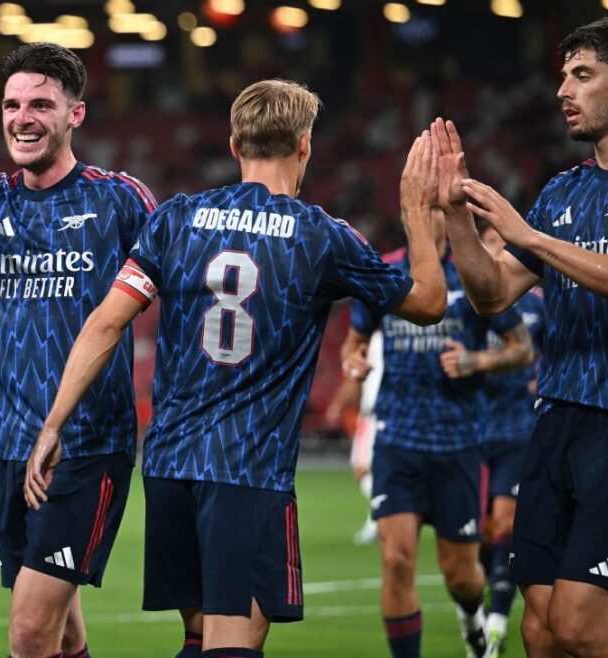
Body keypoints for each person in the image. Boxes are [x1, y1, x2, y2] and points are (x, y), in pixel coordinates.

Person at [26, 79, 447, 658]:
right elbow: (428, 304)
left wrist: (53, 424)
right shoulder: (321, 235)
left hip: (170, 465)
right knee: (233, 642)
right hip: (247, 470)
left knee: (200, 635)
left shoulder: (176, 218)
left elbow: (105, 323)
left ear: (233, 145)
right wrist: (417, 213)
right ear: (304, 145)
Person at [434, 17, 608, 658]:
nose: (563, 89)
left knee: (580, 627)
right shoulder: (563, 190)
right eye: (563, 75)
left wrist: (531, 238)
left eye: (582, 75)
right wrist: (456, 219)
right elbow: (491, 294)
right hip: (554, 420)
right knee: (539, 629)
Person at [0, 42, 157, 658]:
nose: (23, 117)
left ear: (76, 114)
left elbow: (183, 283)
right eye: (13, 105)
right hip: (9, 444)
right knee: (62, 632)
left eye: (41, 104)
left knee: (29, 632)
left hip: (86, 446)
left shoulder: (120, 199)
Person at [344, 200, 532, 658]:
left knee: (462, 578)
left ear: (448, 219)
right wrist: (353, 361)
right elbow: (354, 342)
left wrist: (477, 361)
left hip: (457, 445)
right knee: (396, 561)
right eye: (417, 208)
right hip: (397, 441)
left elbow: (522, 349)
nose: (424, 218)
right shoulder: (384, 271)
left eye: (433, 209)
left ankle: (471, 617)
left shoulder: (473, 275)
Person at [472, 225, 546, 657]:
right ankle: (488, 596)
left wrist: (544, 378)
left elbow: (558, 347)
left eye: (504, 245)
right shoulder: (467, 301)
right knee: (480, 535)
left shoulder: (537, 303)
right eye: (490, 244)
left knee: (504, 524)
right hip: (471, 429)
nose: (497, 250)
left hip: (517, 429)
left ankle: (496, 624)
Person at [327, 329, 383, 546]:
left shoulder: (373, 340)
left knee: (361, 469)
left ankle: (378, 516)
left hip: (373, 414)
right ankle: (379, 516)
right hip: (393, 413)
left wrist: (337, 405)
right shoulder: (394, 340)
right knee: (381, 470)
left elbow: (354, 378)